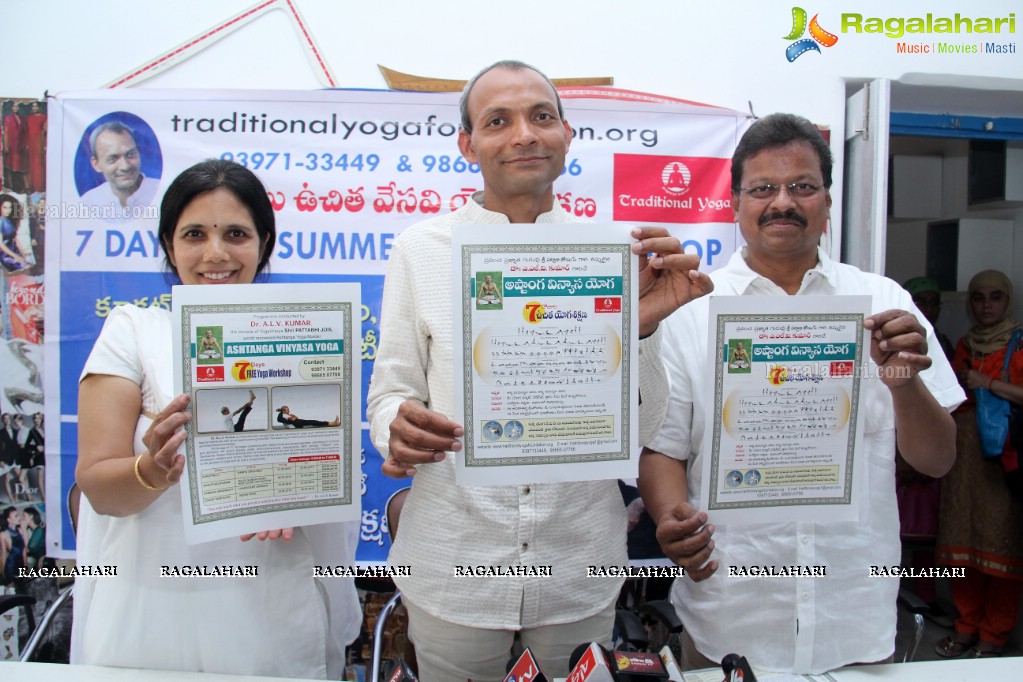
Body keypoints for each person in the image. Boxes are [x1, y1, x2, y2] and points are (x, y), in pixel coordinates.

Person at [367, 59, 712, 681]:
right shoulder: (421, 249)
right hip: (453, 563)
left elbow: (642, 427)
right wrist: (398, 424)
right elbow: (390, 388)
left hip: (576, 566)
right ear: (468, 144)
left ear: (567, 134)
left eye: (542, 116)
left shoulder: (614, 255)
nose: (524, 134)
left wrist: (642, 330)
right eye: (498, 121)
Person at [638, 113, 964, 674]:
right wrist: (671, 518)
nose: (782, 202)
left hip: (854, 617)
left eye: (803, 187)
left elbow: (936, 461)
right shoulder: (692, 310)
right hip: (730, 615)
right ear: (735, 203)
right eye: (763, 188)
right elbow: (664, 447)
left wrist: (903, 383)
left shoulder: (883, 303)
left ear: (828, 201)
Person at [72, 159, 360, 678]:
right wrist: (154, 469)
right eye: (194, 234)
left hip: (271, 603)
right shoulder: (134, 330)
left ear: (264, 243)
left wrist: (300, 492)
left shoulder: (306, 338)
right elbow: (98, 489)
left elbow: (326, 473)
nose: (216, 253)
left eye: (235, 233)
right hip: (153, 606)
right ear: (168, 245)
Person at [935, 269, 1023, 658]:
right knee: (960, 546)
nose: (987, 305)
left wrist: (987, 383)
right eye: (979, 298)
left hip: (1002, 462)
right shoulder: (965, 344)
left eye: (995, 297)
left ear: (1007, 301)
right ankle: (966, 625)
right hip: (963, 459)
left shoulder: (1018, 344)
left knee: (1001, 547)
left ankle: (994, 635)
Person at [79, 121, 160, 219]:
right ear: (96, 164)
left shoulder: (162, 193)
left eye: (130, 154)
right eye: (113, 159)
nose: (125, 166)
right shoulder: (88, 203)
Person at [903, 276, 954, 360]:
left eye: (934, 302)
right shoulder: (896, 339)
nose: (929, 309)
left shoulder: (942, 342)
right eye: (920, 303)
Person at [0, 194, 30, 272]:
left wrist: (23, 253)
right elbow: (1, 244)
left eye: (10, 207)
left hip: (14, 250)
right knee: (23, 267)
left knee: (28, 265)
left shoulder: (10, 221)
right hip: (5, 254)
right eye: (5, 207)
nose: (8, 210)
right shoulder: (1, 221)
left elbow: (16, 239)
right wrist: (15, 257)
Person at [274, 405, 339, 429]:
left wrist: (294, 417)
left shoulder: (285, 414)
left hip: (298, 422)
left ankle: (331, 423)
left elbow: (296, 417)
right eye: (288, 409)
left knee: (313, 422)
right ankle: (331, 423)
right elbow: (294, 419)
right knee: (313, 422)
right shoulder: (284, 415)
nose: (289, 410)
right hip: (296, 425)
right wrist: (294, 417)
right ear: (283, 411)